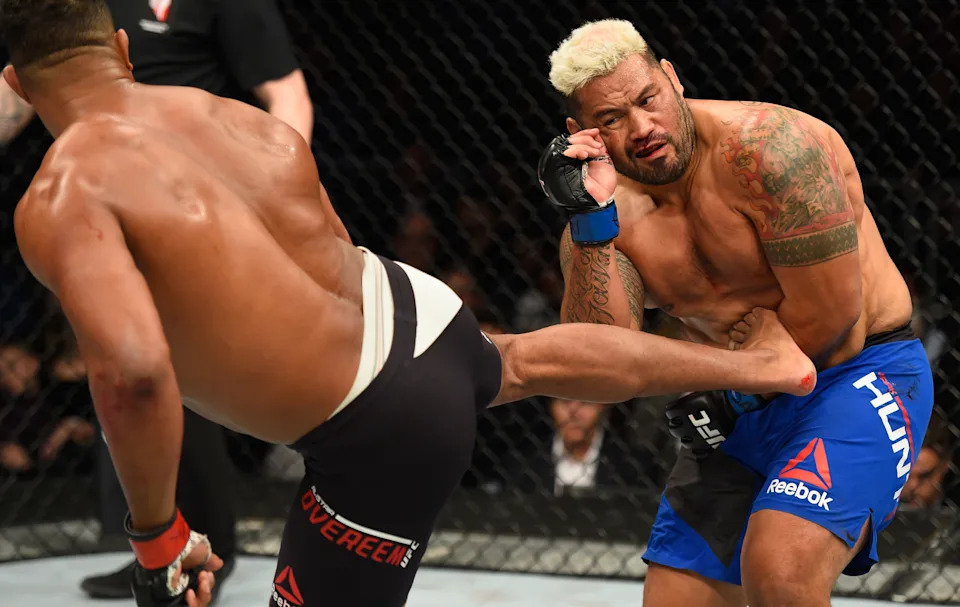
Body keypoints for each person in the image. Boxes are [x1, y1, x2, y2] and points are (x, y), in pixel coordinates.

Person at [0, 3, 816, 606]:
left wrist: (154, 535)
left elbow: (135, 374)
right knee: (515, 360)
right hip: (414, 309)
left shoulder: (61, 194)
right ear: (120, 48)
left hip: (373, 428)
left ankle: (764, 367)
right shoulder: (229, 116)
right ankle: (762, 365)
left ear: (16, 83)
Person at [541, 19, 934, 607]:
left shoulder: (771, 151)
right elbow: (603, 364)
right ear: (581, 134)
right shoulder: (608, 210)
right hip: (735, 399)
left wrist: (735, 393)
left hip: (856, 376)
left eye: (648, 100)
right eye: (611, 120)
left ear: (671, 78)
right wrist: (590, 223)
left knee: (779, 572)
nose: (642, 128)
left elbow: (837, 323)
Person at [75, 0, 313, 599]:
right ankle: (157, 548)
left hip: (199, 202)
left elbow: (287, 93)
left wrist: (278, 190)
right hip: (112, 195)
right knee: (123, 364)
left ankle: (203, 546)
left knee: (180, 376)